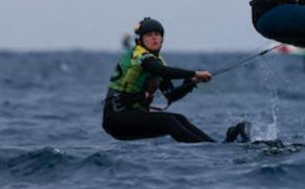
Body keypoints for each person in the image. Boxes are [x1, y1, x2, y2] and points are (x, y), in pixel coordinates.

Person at [102, 17, 250, 143]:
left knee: (179, 119)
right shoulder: (139, 56)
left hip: (131, 117)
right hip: (117, 119)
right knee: (169, 122)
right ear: (141, 39)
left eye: (157, 34)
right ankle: (215, 150)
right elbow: (161, 71)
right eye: (149, 35)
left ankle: (214, 146)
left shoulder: (157, 60)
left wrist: (190, 83)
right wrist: (195, 73)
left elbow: (171, 95)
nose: (154, 37)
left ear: (162, 39)